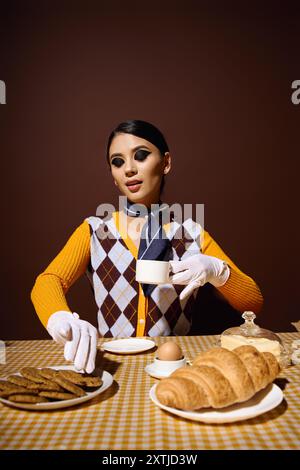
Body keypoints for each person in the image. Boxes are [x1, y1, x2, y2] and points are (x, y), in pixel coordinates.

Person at [31, 119, 263, 373]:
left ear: (166, 163)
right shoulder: (94, 231)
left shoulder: (192, 234)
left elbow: (252, 303)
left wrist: (218, 271)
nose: (128, 169)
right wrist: (59, 317)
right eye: (117, 162)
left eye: (140, 156)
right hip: (112, 367)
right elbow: (48, 280)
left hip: (173, 368)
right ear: (113, 175)